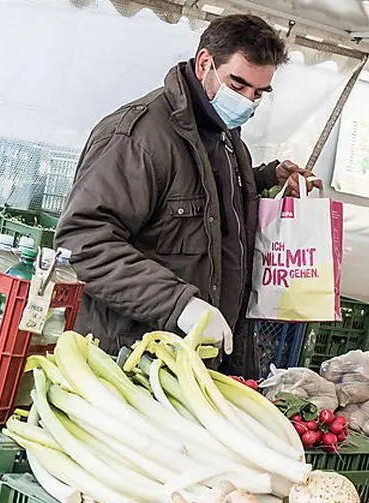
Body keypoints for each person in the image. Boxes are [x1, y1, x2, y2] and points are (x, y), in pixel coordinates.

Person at [55, 14, 319, 374]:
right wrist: (179, 304)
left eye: (259, 93)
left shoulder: (224, 133)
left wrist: (267, 179)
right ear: (204, 63)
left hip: (197, 361)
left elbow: (207, 200)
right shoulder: (138, 137)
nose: (248, 102)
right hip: (133, 362)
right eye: (238, 85)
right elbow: (84, 241)